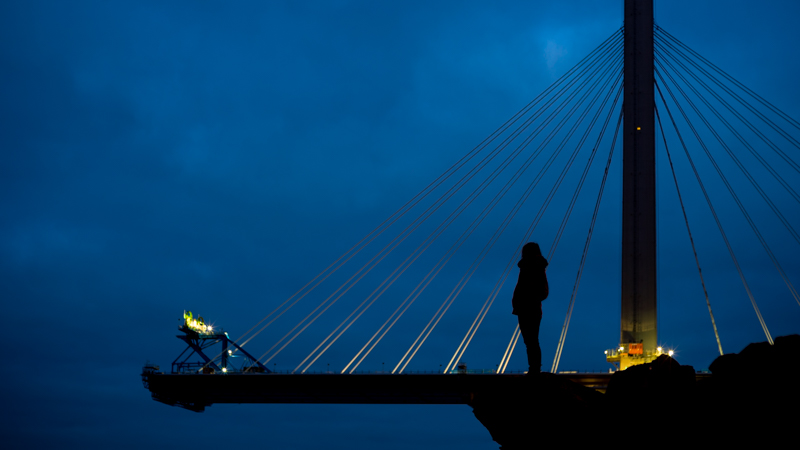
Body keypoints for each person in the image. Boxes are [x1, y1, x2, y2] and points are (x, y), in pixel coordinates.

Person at [511, 242, 549, 374]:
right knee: (530, 340)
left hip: (528, 308)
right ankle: (534, 367)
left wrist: (525, 300)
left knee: (531, 340)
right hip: (527, 308)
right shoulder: (530, 268)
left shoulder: (533, 268)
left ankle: (534, 368)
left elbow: (542, 291)